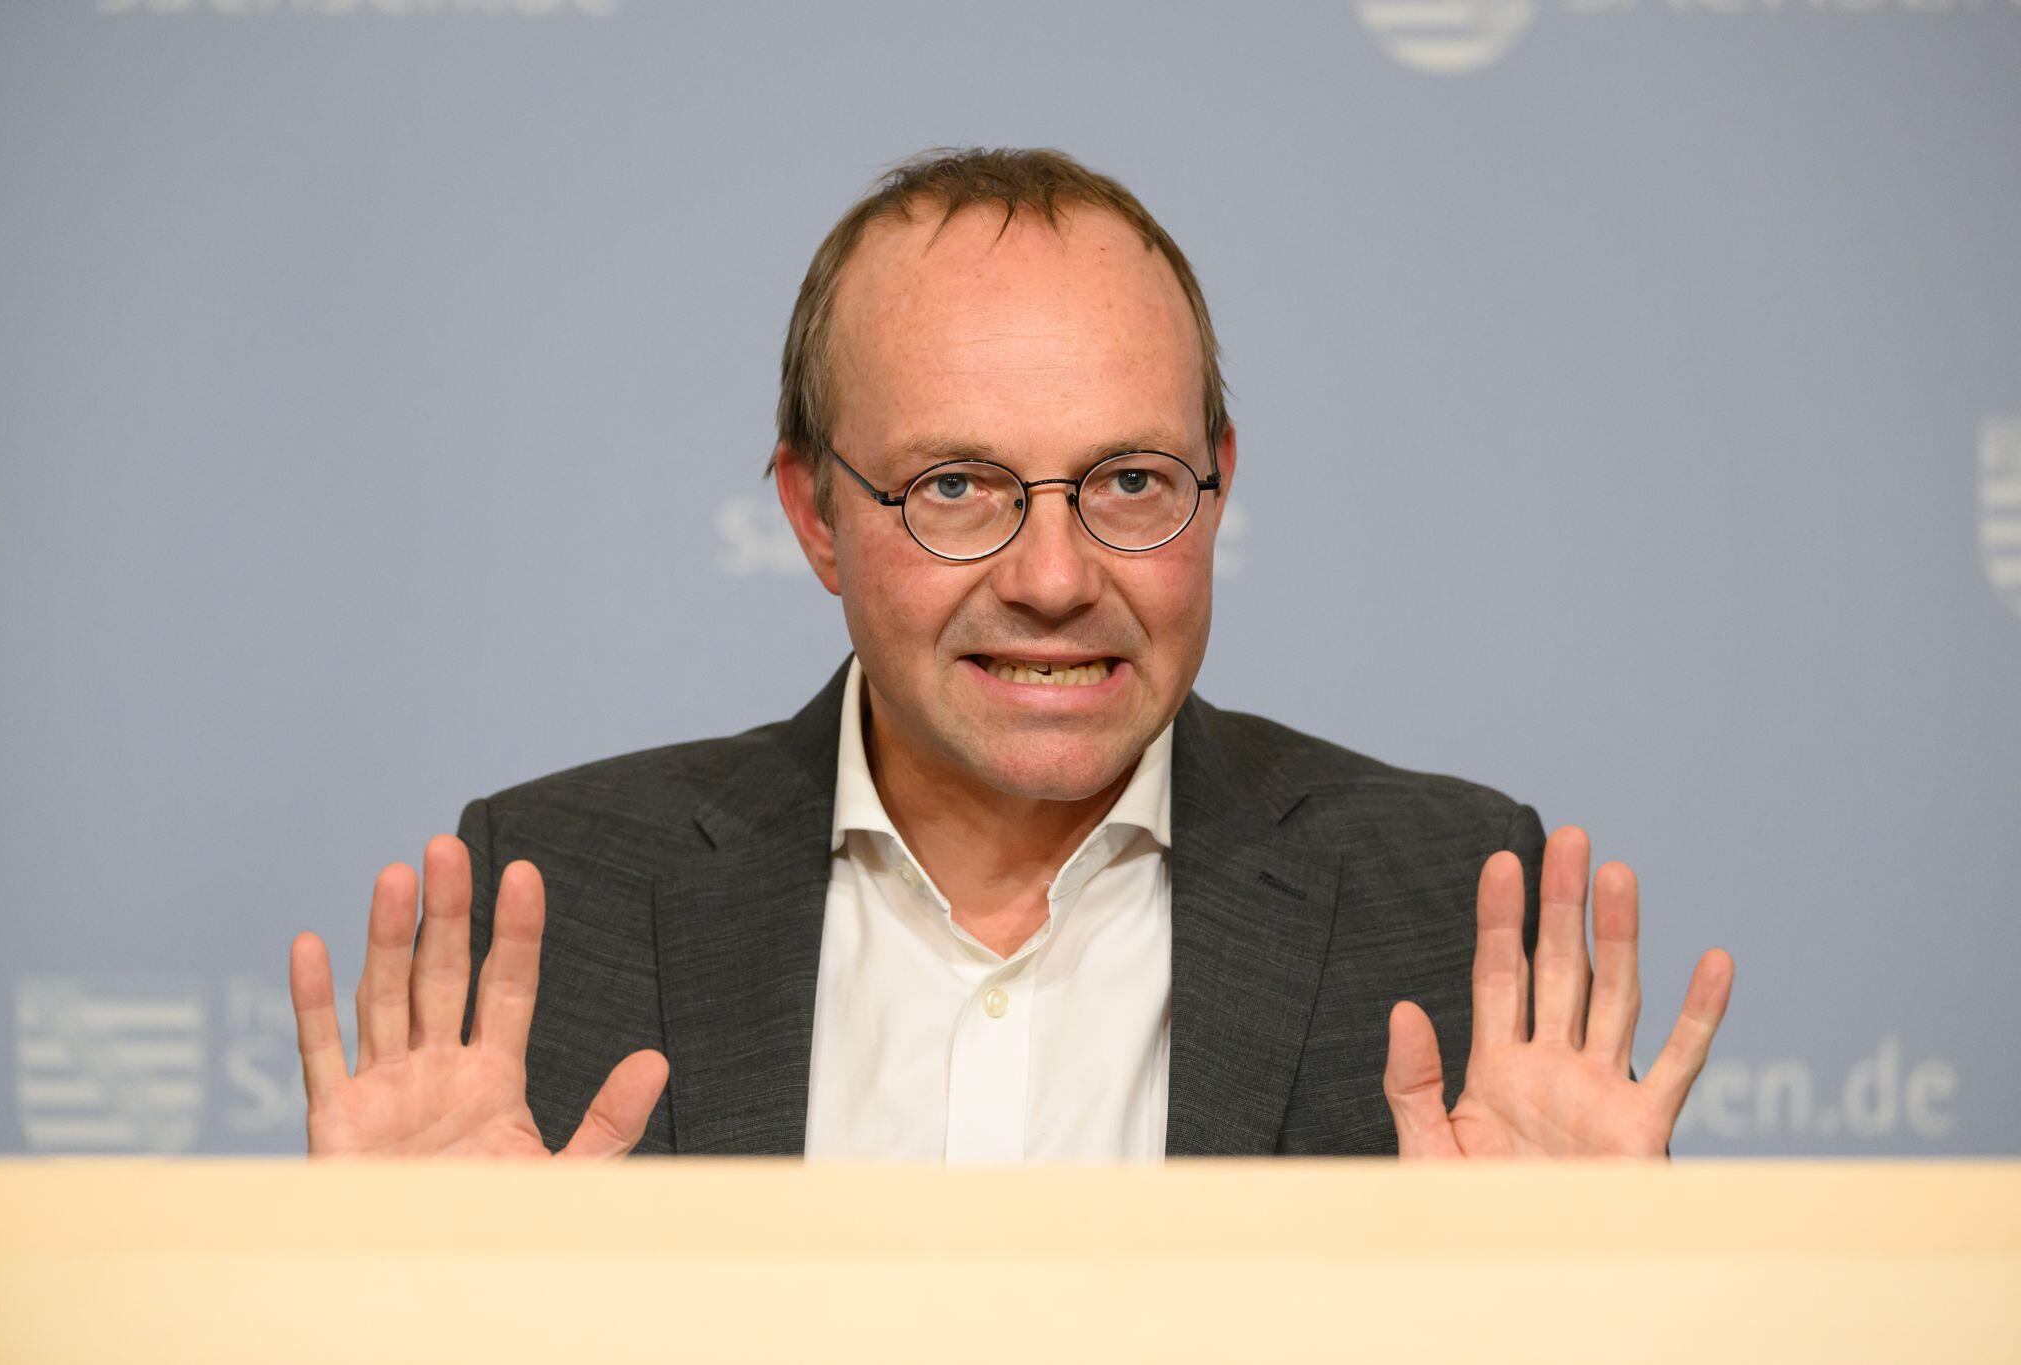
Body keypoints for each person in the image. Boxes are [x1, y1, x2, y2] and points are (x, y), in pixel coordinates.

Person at [288, 146, 1734, 1161]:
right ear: (815, 515)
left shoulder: (1443, 902)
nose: (1053, 580)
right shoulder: (561, 900)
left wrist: (1592, 1305)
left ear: (1218, 484)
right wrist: (394, 1306)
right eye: (957, 488)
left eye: (1130, 481)